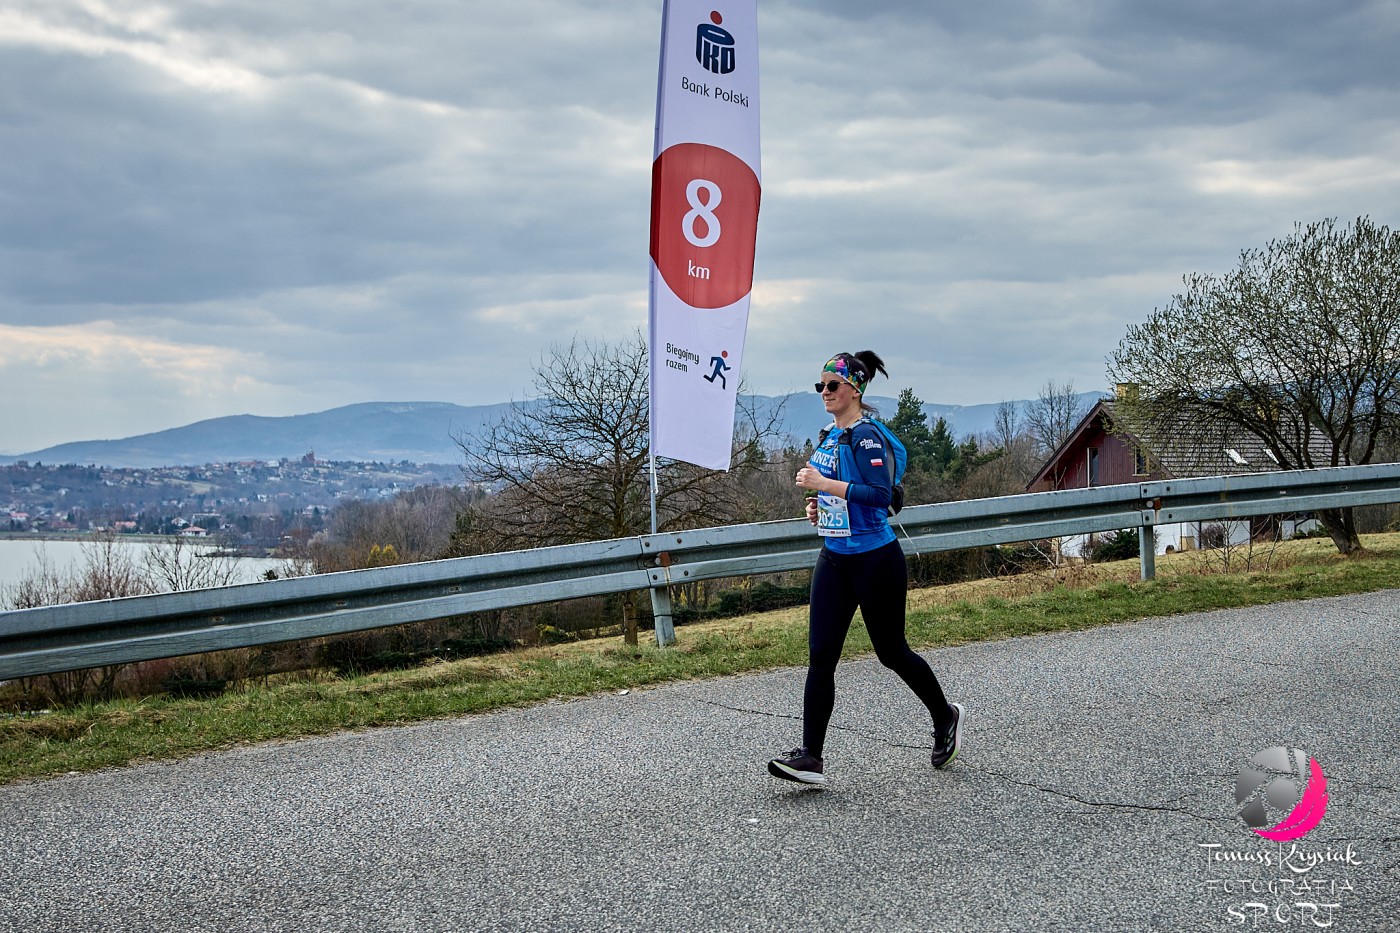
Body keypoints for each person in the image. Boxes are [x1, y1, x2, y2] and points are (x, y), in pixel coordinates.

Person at [767, 350, 964, 785]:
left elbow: (879, 496)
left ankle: (945, 715)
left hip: (875, 558)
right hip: (835, 556)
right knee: (821, 657)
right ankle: (811, 757)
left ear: (854, 389)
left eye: (832, 385)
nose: (824, 392)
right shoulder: (829, 435)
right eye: (820, 385)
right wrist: (819, 506)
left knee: (892, 653)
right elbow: (841, 493)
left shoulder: (867, 435)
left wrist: (823, 483)